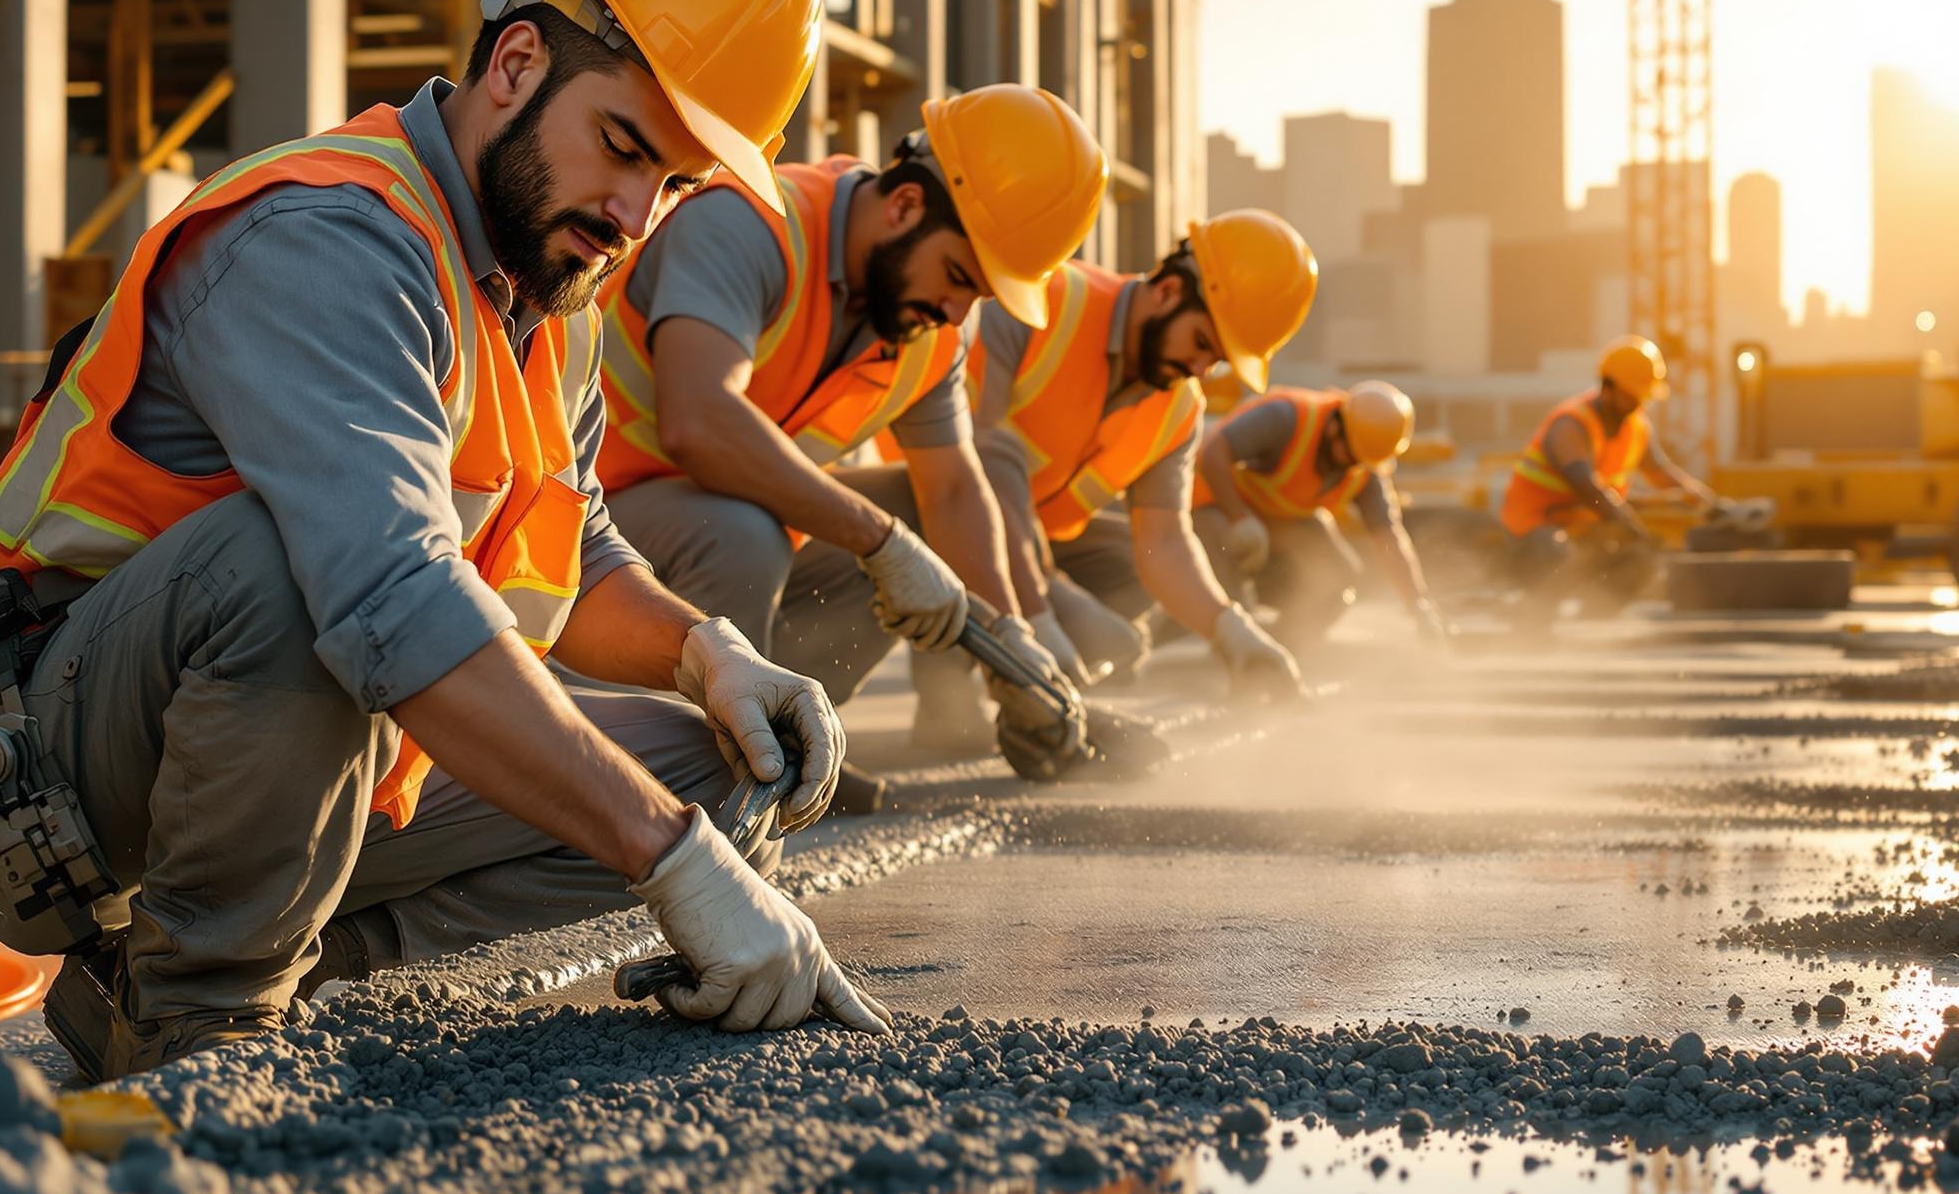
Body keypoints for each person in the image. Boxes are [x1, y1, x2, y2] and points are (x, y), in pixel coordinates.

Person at [0, 0, 888, 1080]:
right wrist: (670, 861)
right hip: (51, 779)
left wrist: (711, 653)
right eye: (623, 147)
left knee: (708, 761)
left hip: (303, 748)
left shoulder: (550, 294)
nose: (635, 213)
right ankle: (196, 1020)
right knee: (289, 569)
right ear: (517, 65)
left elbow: (574, 547)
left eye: (674, 182)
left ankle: (213, 967)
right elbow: (386, 599)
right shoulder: (328, 237)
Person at [592, 86, 1107, 780]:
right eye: (958, 275)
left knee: (912, 512)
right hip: (582, 525)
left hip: (704, 549)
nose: (957, 309)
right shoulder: (755, 222)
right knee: (747, 530)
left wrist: (1010, 643)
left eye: (978, 294)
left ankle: (793, 748)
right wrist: (878, 540)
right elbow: (701, 424)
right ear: (904, 206)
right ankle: (680, 778)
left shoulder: (931, 332)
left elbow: (952, 491)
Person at [911, 214, 1316, 739]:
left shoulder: (1177, 409)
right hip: (932, 514)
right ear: (1169, 292)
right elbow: (977, 474)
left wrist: (1232, 631)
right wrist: (1035, 620)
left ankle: (1037, 679)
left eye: (1215, 360)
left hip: (1034, 549)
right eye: (1200, 343)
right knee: (953, 736)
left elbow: (1166, 544)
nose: (1199, 370)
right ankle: (952, 692)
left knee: (1120, 622)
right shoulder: (1040, 305)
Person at [1193, 379, 1449, 653]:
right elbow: (1211, 452)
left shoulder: (1365, 463)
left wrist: (1418, 604)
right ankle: (1232, 647)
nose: (1353, 466)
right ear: (1335, 427)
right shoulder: (1285, 418)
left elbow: (1389, 536)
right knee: (1227, 559)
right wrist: (1239, 518)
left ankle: (1280, 648)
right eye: (1351, 455)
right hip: (1211, 507)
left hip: (1275, 515)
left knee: (1339, 573)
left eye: (1361, 461)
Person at [1498, 334, 1722, 606]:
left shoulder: (1636, 427)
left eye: (1643, 395)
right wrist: (1625, 522)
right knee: (1558, 554)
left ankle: (1594, 626)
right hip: (1532, 529)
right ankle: (1532, 623)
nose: (1639, 404)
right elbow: (1585, 485)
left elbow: (1661, 473)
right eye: (1632, 395)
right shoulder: (1570, 425)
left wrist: (1710, 503)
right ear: (1608, 388)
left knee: (1640, 558)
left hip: (1581, 525)